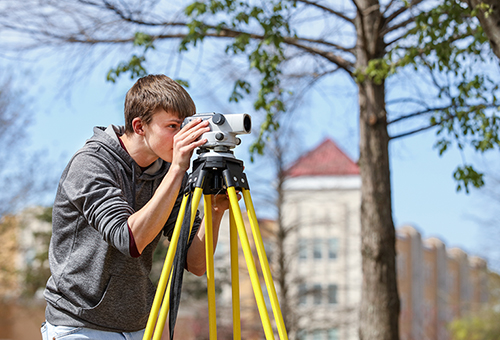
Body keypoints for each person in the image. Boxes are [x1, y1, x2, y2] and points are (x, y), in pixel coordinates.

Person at [41, 74, 230, 340]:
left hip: (138, 327)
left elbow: (196, 264)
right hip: (79, 325)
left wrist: (214, 212)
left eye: (186, 126)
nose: (182, 137)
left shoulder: (168, 172)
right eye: (173, 126)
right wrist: (177, 169)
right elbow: (129, 240)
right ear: (140, 126)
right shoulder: (92, 164)